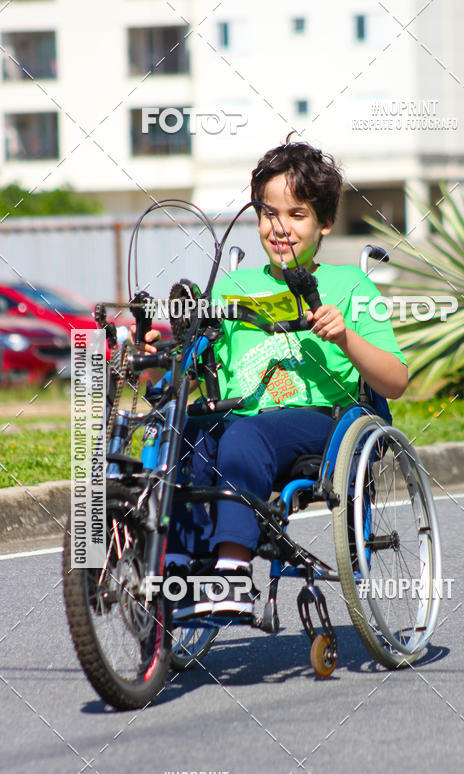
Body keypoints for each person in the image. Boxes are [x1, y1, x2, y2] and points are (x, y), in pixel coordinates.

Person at [139, 139, 408, 619]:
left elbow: (395, 381)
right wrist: (159, 356)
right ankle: (179, 567)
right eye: (268, 213)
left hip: (325, 422)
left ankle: (232, 573)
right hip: (242, 418)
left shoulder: (351, 286)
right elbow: (197, 360)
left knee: (243, 434)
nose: (279, 227)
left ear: (325, 223)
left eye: (297, 214)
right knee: (177, 430)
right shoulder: (231, 288)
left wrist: (346, 337)